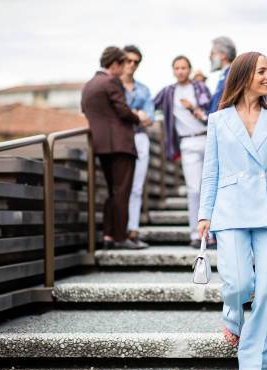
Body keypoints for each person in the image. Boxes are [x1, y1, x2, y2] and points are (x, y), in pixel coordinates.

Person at [197, 52, 267, 370]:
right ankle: (232, 316)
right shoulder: (218, 120)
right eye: (262, 71)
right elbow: (210, 172)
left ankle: (253, 360)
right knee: (238, 282)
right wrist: (204, 214)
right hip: (229, 207)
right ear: (244, 77)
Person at [81, 46, 149, 250]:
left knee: (112, 192)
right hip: (120, 145)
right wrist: (139, 118)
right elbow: (123, 111)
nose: (126, 68)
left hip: (101, 146)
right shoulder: (111, 81)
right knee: (122, 192)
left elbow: (86, 110)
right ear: (114, 64)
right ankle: (121, 237)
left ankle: (109, 235)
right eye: (123, 63)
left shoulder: (89, 84)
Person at [153, 55, 213, 248]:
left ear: (189, 69)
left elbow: (211, 112)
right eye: (177, 68)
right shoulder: (168, 92)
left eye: (184, 68)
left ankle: (212, 233)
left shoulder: (200, 88)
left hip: (207, 138)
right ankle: (196, 234)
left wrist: (193, 108)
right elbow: (150, 105)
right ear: (173, 70)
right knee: (194, 189)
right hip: (186, 144)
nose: (180, 71)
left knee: (210, 189)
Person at [121, 44, 154, 249]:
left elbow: (149, 118)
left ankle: (133, 230)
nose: (132, 65)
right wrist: (136, 115)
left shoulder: (143, 89)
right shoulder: (113, 86)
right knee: (121, 187)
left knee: (136, 187)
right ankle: (118, 231)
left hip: (140, 138)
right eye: (128, 61)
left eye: (136, 62)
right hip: (120, 140)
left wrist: (133, 116)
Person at [208, 36, 236, 114]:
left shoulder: (231, 75)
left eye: (213, 53)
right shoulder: (226, 74)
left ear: (223, 55)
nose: (210, 57)